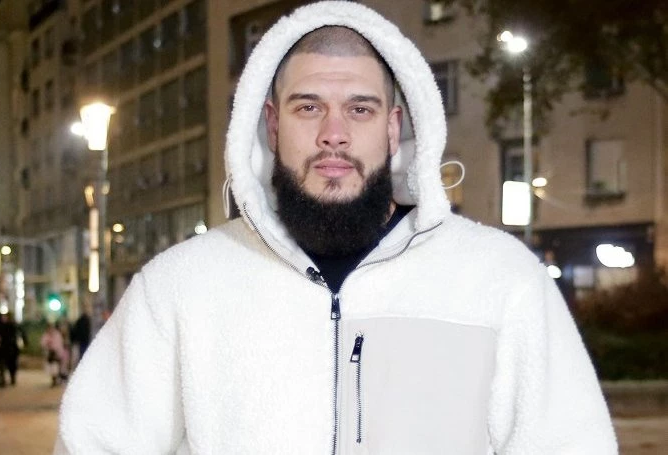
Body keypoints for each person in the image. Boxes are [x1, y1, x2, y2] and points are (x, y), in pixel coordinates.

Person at [55, 2, 617, 453]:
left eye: (360, 109)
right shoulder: (180, 288)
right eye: (308, 107)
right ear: (271, 124)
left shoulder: (500, 279)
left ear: (394, 127)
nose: (334, 133)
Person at [0, 311, 25, 386]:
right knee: (2, 364)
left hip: (11, 348)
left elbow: (20, 333)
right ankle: (3, 379)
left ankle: (11, 378)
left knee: (11, 364)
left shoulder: (12, 325)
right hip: (2, 348)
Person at [41, 321, 70, 386]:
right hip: (49, 354)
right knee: (52, 368)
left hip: (57, 354)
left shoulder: (57, 335)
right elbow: (43, 344)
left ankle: (59, 379)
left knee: (57, 367)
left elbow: (59, 345)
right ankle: (54, 379)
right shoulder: (46, 335)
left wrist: (57, 352)